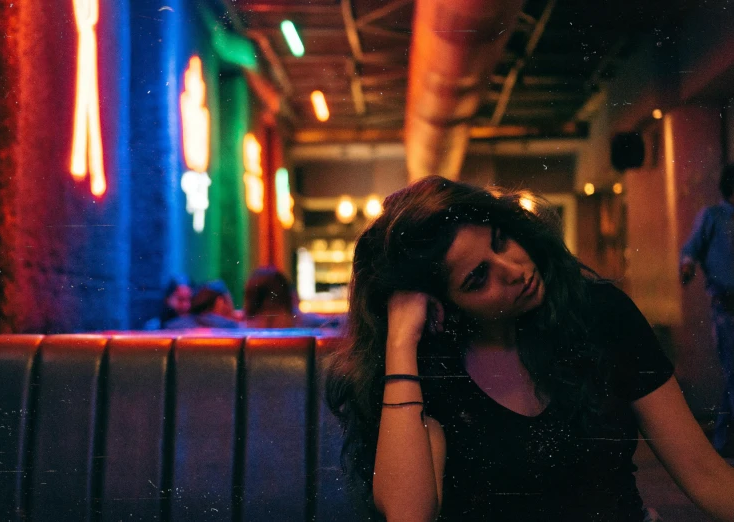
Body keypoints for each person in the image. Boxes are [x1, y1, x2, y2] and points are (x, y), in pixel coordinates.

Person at [326, 176, 734, 522]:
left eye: (501, 242)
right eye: (478, 278)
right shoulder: (431, 373)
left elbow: (704, 474)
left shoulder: (598, 313)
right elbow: (408, 515)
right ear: (441, 309)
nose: (515, 270)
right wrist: (400, 341)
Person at [680, 164, 734, 457]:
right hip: (728, 309)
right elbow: (691, 247)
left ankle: (723, 443)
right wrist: (687, 265)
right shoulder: (713, 215)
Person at [163, 283, 239, 329]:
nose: (186, 306)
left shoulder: (169, 326)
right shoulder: (229, 327)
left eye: (188, 299)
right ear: (219, 303)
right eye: (180, 299)